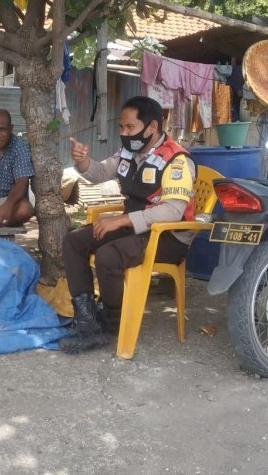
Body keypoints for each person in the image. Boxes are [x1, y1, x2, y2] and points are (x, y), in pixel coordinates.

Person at [60, 96, 197, 353]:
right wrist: (82, 162)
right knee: (74, 241)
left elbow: (173, 211)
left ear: (152, 126)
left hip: (170, 236)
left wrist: (122, 219)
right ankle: (88, 321)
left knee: (108, 255)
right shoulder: (128, 152)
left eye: (130, 128)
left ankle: (113, 319)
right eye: (121, 128)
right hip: (136, 226)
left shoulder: (176, 160)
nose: (124, 133)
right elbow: (100, 172)